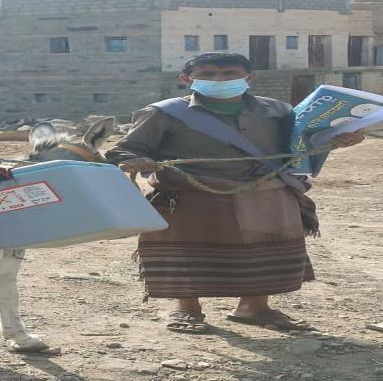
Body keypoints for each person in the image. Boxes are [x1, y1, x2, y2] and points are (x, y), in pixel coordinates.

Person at [105, 52, 365, 334]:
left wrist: (338, 139)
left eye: (230, 73)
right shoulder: (162, 112)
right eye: (208, 75)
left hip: (265, 193)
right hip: (190, 194)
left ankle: (254, 308)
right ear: (186, 80)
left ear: (249, 77)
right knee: (188, 253)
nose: (220, 80)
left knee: (263, 254)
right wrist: (134, 160)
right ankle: (187, 309)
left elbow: (300, 149)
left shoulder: (279, 111)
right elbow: (123, 149)